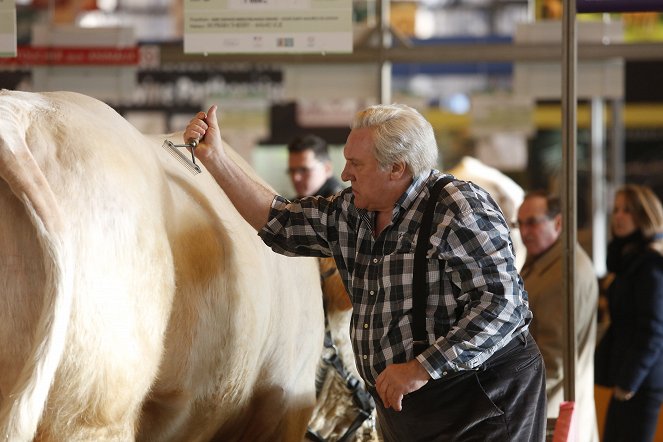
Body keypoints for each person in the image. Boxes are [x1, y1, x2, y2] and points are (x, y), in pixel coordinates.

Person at [184, 103, 547, 441]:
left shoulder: (458, 206)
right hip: (407, 407)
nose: (344, 174)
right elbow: (282, 222)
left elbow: (502, 306)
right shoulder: (353, 212)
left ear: (396, 168)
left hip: (482, 399)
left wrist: (421, 368)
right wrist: (215, 157)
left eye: (356, 164)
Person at [518, 191, 599, 442]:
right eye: (519, 224)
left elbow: (555, 358)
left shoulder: (564, 274)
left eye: (532, 222)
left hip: (553, 409)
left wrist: (521, 399)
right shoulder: (544, 263)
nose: (524, 232)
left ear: (558, 223)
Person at [595, 184, 663, 442]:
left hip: (641, 383)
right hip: (628, 378)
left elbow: (653, 331)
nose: (619, 216)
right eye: (616, 210)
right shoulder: (628, 261)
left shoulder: (650, 266)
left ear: (645, 215)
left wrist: (629, 382)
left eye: (628, 210)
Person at [287, 134, 344, 199]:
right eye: (292, 171)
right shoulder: (300, 202)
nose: (296, 178)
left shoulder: (341, 204)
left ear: (327, 168)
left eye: (304, 170)